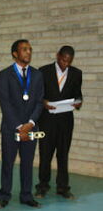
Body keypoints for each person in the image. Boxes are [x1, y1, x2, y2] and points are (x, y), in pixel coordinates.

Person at [0, 39, 44, 209]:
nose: (28, 52)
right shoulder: (4, 74)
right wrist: (18, 126)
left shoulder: (37, 75)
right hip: (11, 127)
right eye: (24, 50)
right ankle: (4, 195)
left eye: (30, 49)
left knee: (27, 162)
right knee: (8, 163)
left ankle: (26, 195)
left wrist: (30, 123)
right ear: (15, 54)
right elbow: (5, 102)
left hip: (31, 127)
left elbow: (39, 102)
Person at [35, 46, 82, 200]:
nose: (65, 64)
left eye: (69, 61)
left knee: (63, 155)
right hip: (47, 119)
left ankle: (63, 187)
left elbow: (78, 95)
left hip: (66, 121)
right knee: (45, 154)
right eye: (63, 60)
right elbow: (38, 95)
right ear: (57, 56)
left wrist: (78, 102)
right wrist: (44, 102)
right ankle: (42, 186)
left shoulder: (76, 73)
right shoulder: (43, 71)